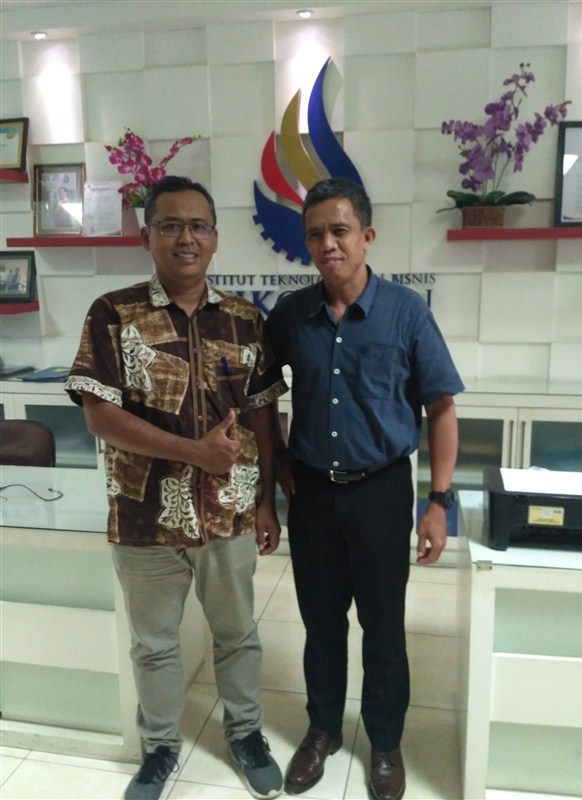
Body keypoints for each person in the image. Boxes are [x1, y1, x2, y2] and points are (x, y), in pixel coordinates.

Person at [65, 175, 287, 800]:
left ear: (214, 237)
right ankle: (160, 748)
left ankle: (246, 734)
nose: (185, 238)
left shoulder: (246, 321)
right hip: (143, 516)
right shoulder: (113, 314)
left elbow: (265, 416)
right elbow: (99, 415)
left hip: (230, 512)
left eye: (198, 226)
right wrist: (193, 452)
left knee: (236, 634)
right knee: (155, 645)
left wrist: (267, 501)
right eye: (170, 226)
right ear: (147, 237)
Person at [265, 178, 464, 800]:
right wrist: (276, 470)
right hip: (312, 496)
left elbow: (442, 408)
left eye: (340, 230)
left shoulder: (406, 313)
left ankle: (384, 741)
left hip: (381, 493)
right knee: (321, 624)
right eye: (316, 234)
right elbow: (262, 398)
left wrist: (437, 503)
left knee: (383, 628)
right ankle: (322, 730)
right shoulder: (291, 314)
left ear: (367, 236)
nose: (328, 244)